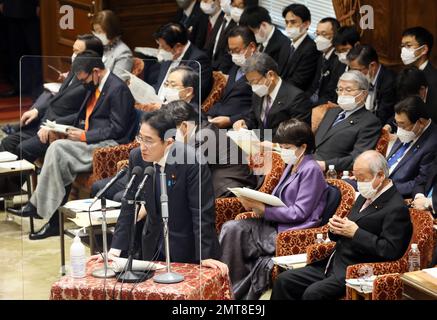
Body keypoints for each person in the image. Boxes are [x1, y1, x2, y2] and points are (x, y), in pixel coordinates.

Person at [9, 51, 137, 240]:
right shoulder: (94, 84)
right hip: (90, 139)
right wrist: (60, 126)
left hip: (108, 146)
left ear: (96, 72)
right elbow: (83, 115)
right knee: (60, 157)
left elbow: (117, 129)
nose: (83, 84)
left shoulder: (118, 89)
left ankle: (38, 208)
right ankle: (52, 220)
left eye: (84, 80)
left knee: (58, 149)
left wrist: (85, 136)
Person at [271, 150, 413, 300]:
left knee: (313, 294)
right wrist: (336, 228)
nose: (359, 183)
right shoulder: (367, 194)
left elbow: (391, 250)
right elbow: (348, 227)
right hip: (333, 263)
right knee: (284, 280)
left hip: (357, 270)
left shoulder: (396, 208)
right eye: (356, 178)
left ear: (380, 176)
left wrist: (355, 233)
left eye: (362, 178)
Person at [93, 111, 225, 271]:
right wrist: (114, 251)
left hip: (187, 249)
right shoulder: (137, 157)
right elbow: (129, 203)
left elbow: (201, 212)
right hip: (151, 244)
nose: (142, 147)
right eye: (140, 138)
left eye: (149, 141)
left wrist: (205, 255)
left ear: (168, 142)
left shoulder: (192, 162)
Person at [220, 119, 328, 299]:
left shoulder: (311, 169)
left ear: (302, 147)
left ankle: (235, 291)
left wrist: (264, 210)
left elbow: (300, 212)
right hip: (274, 221)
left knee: (235, 231)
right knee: (231, 227)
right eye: (281, 146)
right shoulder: (292, 165)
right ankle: (227, 287)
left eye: (287, 147)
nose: (283, 151)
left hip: (292, 230)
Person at [162, 100, 257, 198]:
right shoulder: (202, 129)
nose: (172, 137)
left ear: (185, 126)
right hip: (226, 186)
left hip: (231, 191)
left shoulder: (204, 137)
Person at [233, 52, 312, 140]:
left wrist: (272, 145)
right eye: (250, 83)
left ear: (271, 75)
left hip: (280, 148)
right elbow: (253, 119)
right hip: (258, 143)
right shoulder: (258, 93)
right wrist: (245, 123)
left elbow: (299, 136)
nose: (253, 87)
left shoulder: (296, 98)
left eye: (255, 82)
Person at [314, 70, 381, 172]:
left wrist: (326, 165)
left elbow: (357, 158)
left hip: (331, 171)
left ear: (363, 94)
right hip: (310, 163)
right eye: (340, 89)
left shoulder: (370, 122)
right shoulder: (332, 112)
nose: (343, 94)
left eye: (348, 90)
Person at [386, 96, 437, 198]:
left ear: (421, 122)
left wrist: (385, 188)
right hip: (379, 179)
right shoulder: (408, 130)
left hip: (395, 194)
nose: (399, 129)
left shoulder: (433, 143)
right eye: (397, 123)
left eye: (403, 125)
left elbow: (421, 183)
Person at [207, 26, 256, 129]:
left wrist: (231, 120)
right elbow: (224, 98)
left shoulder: (260, 72)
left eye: (237, 50)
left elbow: (257, 109)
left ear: (252, 47)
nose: (234, 55)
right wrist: (209, 115)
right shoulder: (236, 66)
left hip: (237, 125)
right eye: (231, 51)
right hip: (217, 118)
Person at [152, 22, 213, 103]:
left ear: (178, 47)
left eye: (163, 47)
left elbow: (193, 97)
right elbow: (159, 85)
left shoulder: (198, 61)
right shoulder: (168, 57)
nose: (160, 50)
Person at [347, 44, 397, 126]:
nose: (354, 75)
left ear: (372, 66)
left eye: (357, 70)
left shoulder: (389, 82)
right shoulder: (359, 78)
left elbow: (382, 117)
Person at [240, 6, 291, 77]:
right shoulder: (260, 39)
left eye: (253, 32)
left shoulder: (284, 45)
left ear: (263, 25)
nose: (252, 36)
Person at [401, 27, 437, 123]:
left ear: (424, 49)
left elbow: (431, 116)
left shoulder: (433, 80)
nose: (404, 50)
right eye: (402, 46)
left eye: (408, 45)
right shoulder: (405, 73)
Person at [281, 3, 320, 91]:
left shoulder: (311, 49)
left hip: (296, 94)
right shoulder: (286, 44)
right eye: (287, 22)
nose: (288, 26)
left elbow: (299, 81)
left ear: (306, 24)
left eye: (293, 22)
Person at [306, 17, 343, 106]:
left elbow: (331, 94)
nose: (318, 38)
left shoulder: (339, 61)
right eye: (317, 34)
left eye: (324, 34)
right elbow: (314, 84)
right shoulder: (321, 55)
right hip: (311, 99)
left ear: (335, 35)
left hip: (324, 104)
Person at [91, 10, 133, 82]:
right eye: (95, 31)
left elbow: (117, 84)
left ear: (110, 31)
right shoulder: (98, 46)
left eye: (100, 32)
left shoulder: (123, 53)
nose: (96, 35)